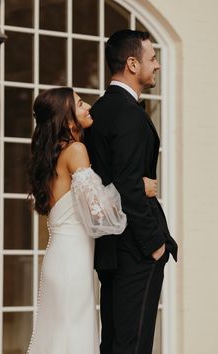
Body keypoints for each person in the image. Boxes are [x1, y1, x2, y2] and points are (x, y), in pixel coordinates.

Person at [26, 87, 156, 354]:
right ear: (69, 119)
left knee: (59, 338)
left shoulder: (53, 153)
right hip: (72, 263)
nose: (88, 107)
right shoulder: (76, 150)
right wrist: (137, 188)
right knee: (74, 339)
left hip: (59, 258)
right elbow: (101, 215)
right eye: (81, 103)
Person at [85, 30, 178, 354]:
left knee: (114, 342)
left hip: (111, 249)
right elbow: (127, 185)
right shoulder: (128, 114)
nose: (158, 66)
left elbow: (106, 177)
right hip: (135, 250)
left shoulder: (99, 111)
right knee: (132, 345)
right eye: (153, 59)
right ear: (133, 63)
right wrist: (154, 244)